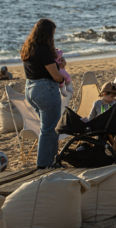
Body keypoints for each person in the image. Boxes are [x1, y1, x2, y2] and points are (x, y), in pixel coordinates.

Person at [21, 18, 66, 170]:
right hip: (45, 89)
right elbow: (55, 76)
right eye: (52, 34)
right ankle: (44, 164)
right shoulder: (43, 49)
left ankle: (51, 161)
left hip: (30, 89)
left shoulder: (28, 48)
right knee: (50, 129)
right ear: (47, 34)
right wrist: (62, 76)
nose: (53, 37)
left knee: (47, 127)